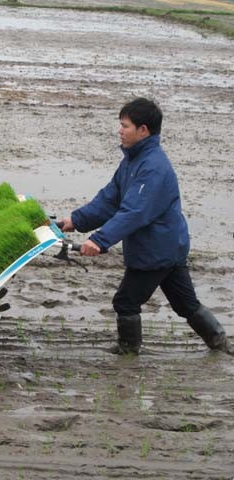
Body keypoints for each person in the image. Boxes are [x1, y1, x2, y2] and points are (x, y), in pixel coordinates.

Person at [60, 97, 232, 355]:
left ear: (143, 130)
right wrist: (75, 221)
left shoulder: (153, 167)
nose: (120, 130)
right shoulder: (132, 161)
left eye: (125, 125)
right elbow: (110, 199)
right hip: (169, 247)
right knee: (185, 304)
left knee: (125, 301)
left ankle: (128, 352)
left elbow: (134, 212)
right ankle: (219, 341)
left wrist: (99, 240)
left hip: (156, 251)